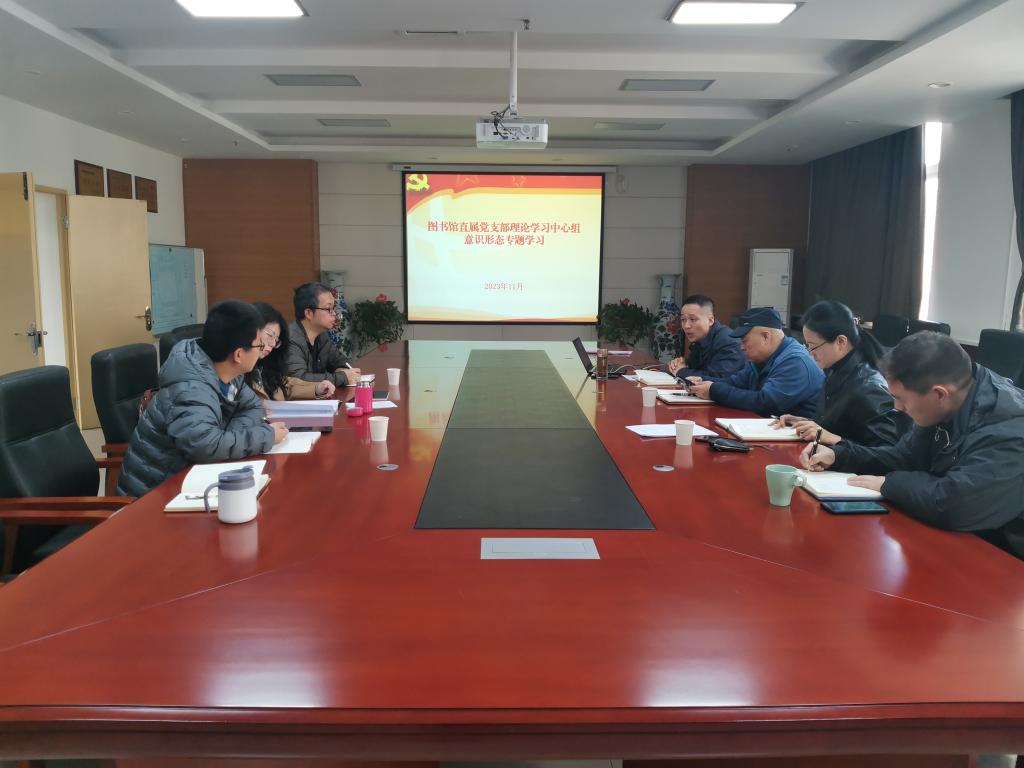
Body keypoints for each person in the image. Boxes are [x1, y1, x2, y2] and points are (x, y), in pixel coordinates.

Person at [801, 331, 1024, 559]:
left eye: (901, 399)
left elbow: (955, 504)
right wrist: (839, 455)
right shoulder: (946, 401)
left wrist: (889, 484)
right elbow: (902, 457)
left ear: (940, 394)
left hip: (1005, 557)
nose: (897, 408)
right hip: (952, 541)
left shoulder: (1010, 430)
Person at [117, 300, 288, 497]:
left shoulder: (228, 372)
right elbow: (205, 447)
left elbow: (254, 408)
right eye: (258, 344)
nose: (261, 350)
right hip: (154, 496)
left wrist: (223, 438)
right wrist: (265, 436)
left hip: (192, 481)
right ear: (239, 354)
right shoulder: (191, 387)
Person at [773, 300, 909, 447]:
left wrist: (832, 438)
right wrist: (806, 423)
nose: (811, 353)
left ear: (841, 341)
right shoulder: (835, 370)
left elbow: (888, 451)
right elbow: (842, 427)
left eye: (813, 346)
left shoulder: (869, 388)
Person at [686, 307, 823, 418]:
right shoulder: (760, 358)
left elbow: (766, 403)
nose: (741, 347)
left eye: (744, 341)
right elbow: (735, 383)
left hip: (797, 438)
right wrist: (704, 382)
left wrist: (713, 390)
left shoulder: (795, 361)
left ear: (766, 336)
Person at [246, 302, 335, 401]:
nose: (273, 344)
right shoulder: (239, 370)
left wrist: (317, 388)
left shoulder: (266, 365)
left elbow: (285, 385)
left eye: (276, 339)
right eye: (270, 335)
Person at [286, 282, 361, 388]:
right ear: (309, 313)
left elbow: (342, 361)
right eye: (328, 309)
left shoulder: (321, 335)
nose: (334, 313)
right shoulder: (290, 340)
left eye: (334, 308)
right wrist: (342, 377)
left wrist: (342, 371)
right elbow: (298, 380)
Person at [667, 294, 746, 381]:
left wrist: (681, 371)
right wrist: (680, 363)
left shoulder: (729, 342)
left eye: (692, 319)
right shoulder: (701, 339)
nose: (686, 326)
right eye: (683, 319)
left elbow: (717, 379)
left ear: (710, 320)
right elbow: (696, 368)